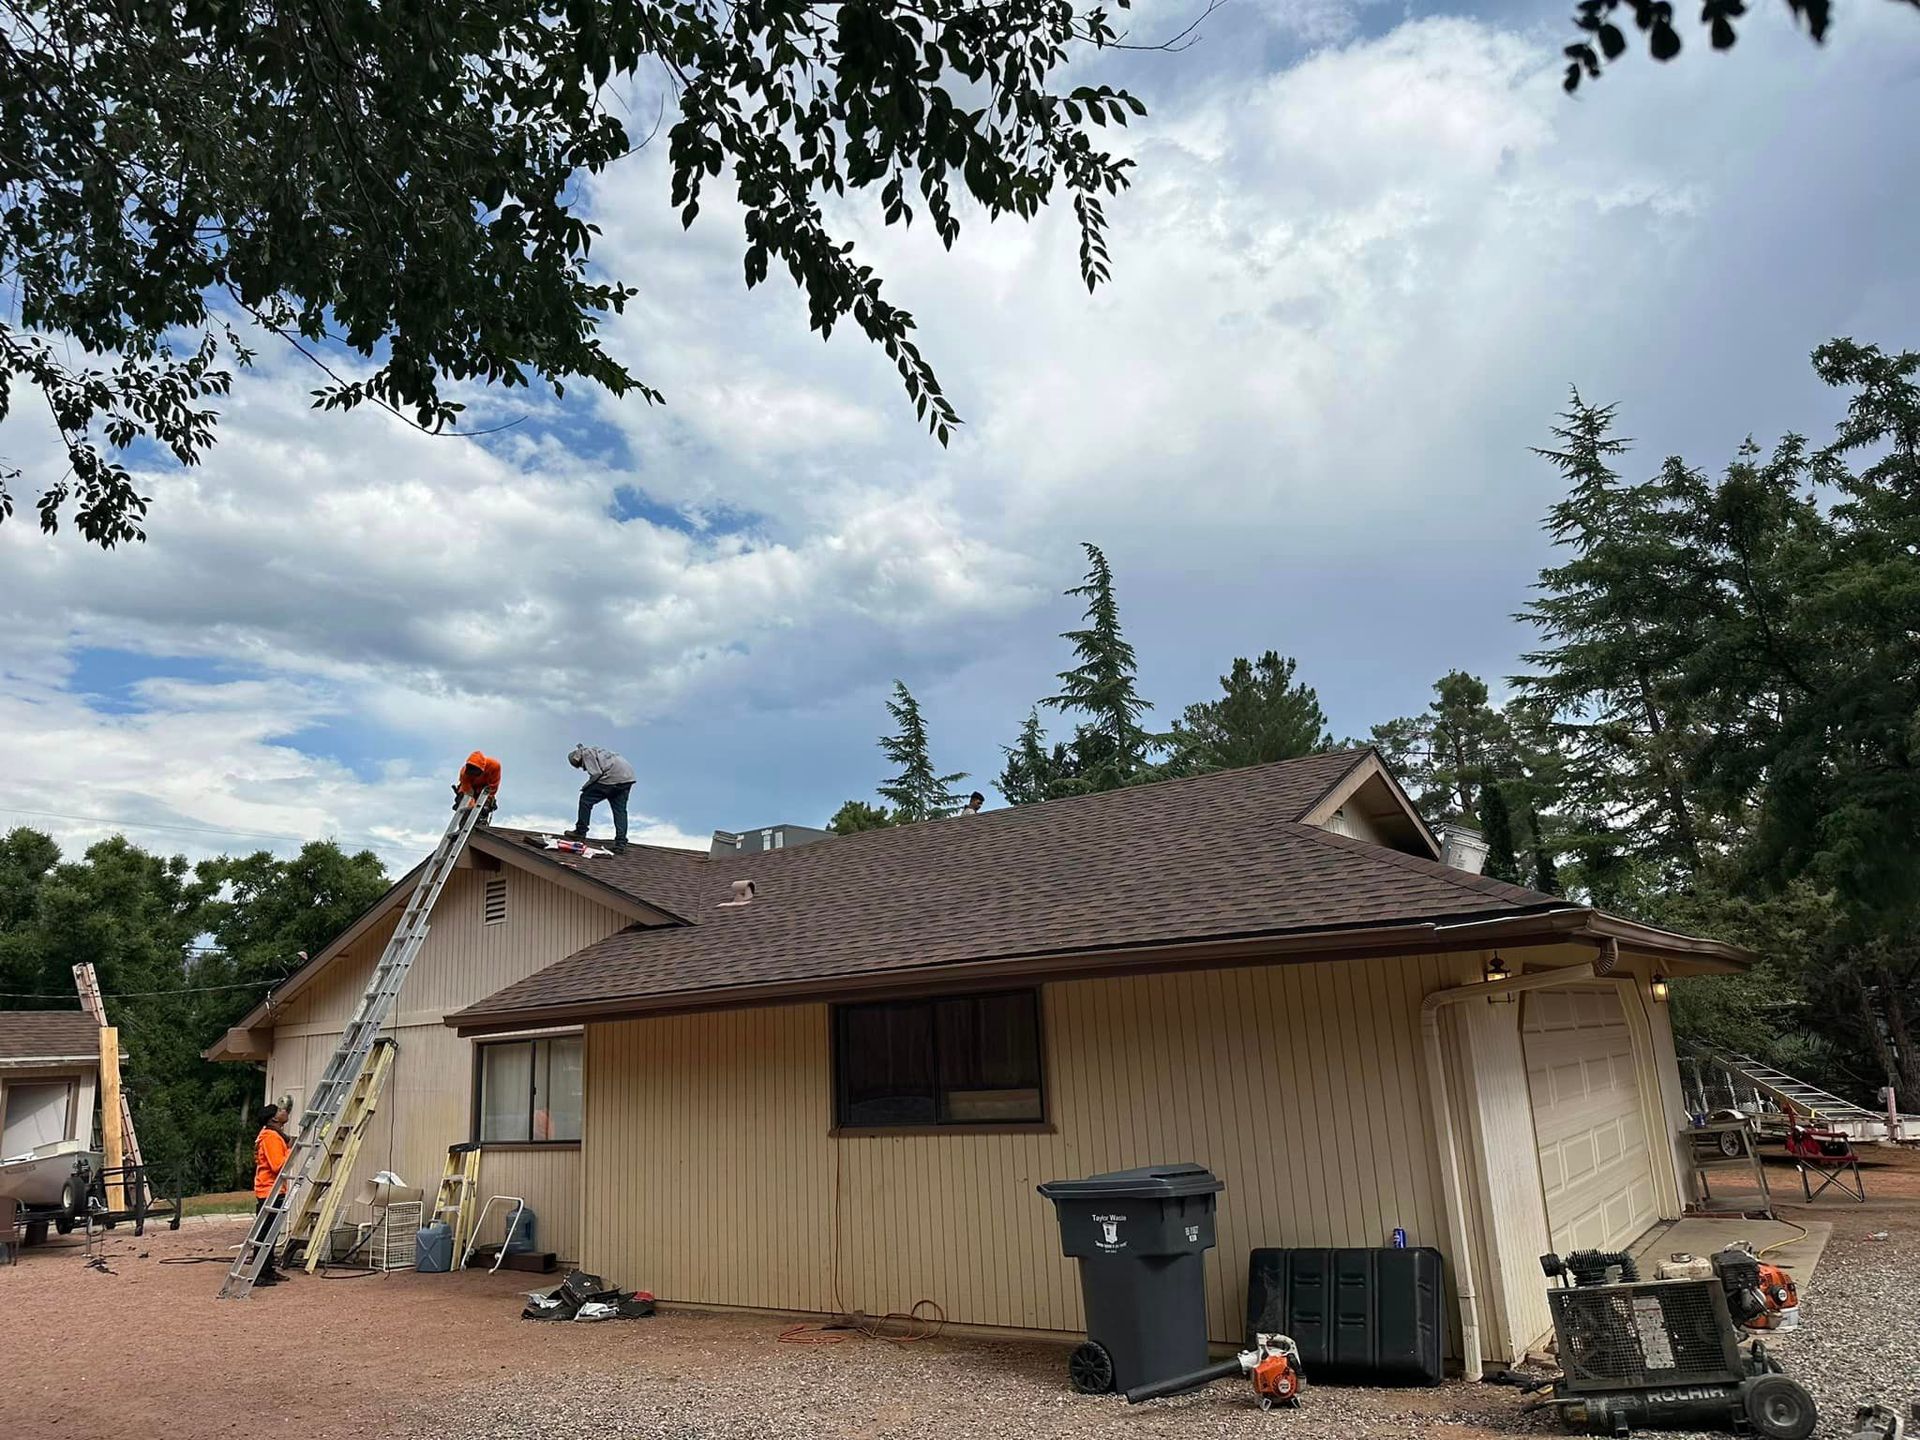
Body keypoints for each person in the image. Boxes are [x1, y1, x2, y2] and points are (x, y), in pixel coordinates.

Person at [565, 743, 635, 853]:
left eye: (580, 765)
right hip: (627, 779)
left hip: (612, 777)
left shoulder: (586, 754)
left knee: (585, 799)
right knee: (620, 811)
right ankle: (621, 843)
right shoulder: (596, 751)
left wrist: (586, 786)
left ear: (578, 759)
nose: (582, 768)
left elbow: (596, 773)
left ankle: (580, 832)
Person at [252, 1104, 292, 1284]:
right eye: (280, 1111)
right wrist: (291, 1150)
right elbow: (278, 1165)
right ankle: (260, 1273)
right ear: (273, 1119)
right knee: (266, 1233)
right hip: (270, 1190)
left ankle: (267, 1270)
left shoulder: (272, 1135)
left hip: (272, 1189)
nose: (285, 1112)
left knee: (270, 1234)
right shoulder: (271, 1138)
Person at [453, 750, 502, 825]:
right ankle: (463, 827)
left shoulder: (494, 766)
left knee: (484, 810)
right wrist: (472, 804)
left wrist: (487, 800)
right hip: (469, 790)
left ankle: (480, 825)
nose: (473, 775)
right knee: (467, 809)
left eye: (475, 773)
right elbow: (468, 791)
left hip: (484, 790)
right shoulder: (464, 773)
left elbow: (493, 786)